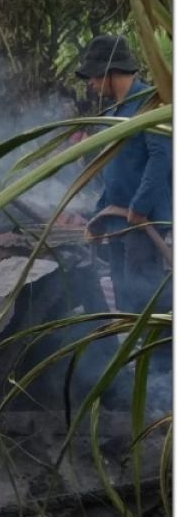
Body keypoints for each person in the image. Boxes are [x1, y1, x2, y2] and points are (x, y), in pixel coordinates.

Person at [76, 34, 172, 316]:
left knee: (148, 298)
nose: (91, 84)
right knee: (124, 299)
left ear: (109, 71)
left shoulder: (149, 105)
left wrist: (140, 206)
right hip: (118, 221)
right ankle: (134, 356)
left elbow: (161, 157)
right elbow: (113, 171)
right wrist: (97, 218)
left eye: (93, 76)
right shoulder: (114, 113)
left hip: (143, 223)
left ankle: (159, 358)